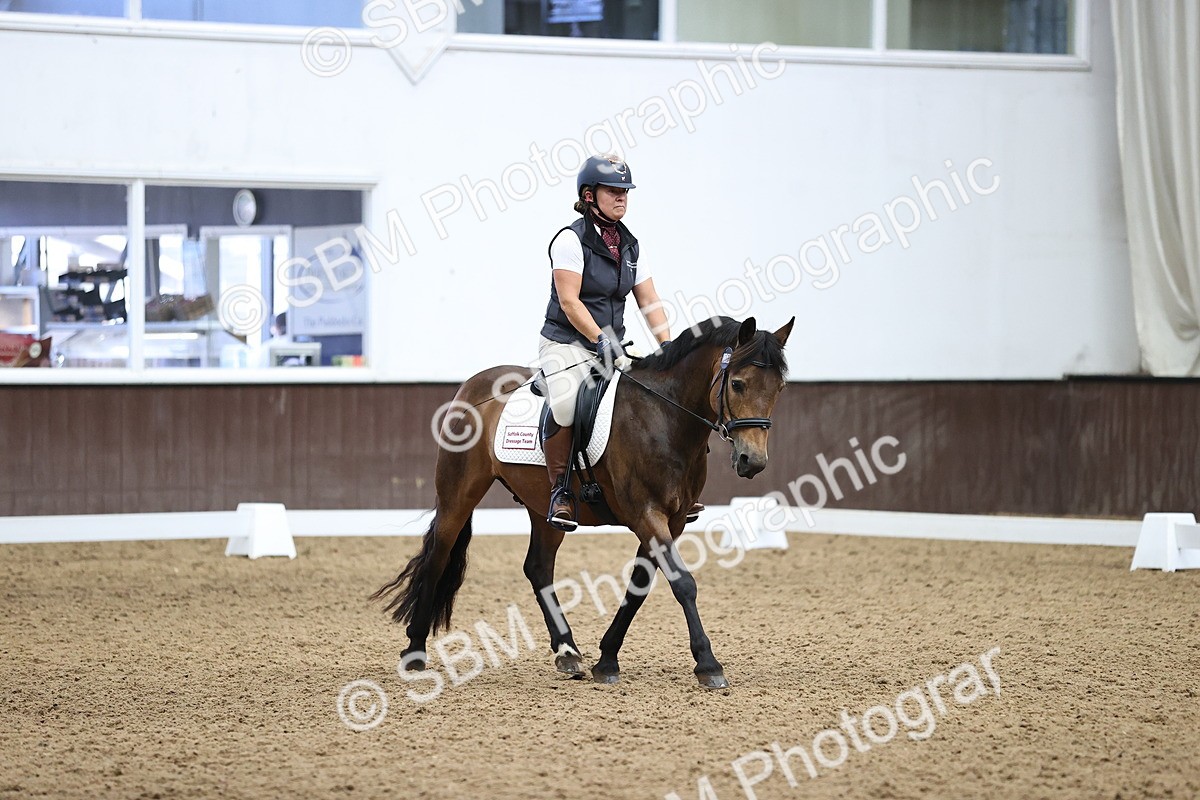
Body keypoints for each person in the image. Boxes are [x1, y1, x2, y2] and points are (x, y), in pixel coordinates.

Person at [538, 154, 678, 532]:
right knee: (567, 404)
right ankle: (560, 491)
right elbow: (569, 301)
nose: (622, 197)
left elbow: (649, 300)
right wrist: (599, 337)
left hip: (611, 347)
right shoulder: (570, 240)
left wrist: (668, 346)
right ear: (589, 194)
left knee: (651, 400)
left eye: (625, 191)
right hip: (567, 344)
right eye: (613, 190)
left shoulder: (632, 247)